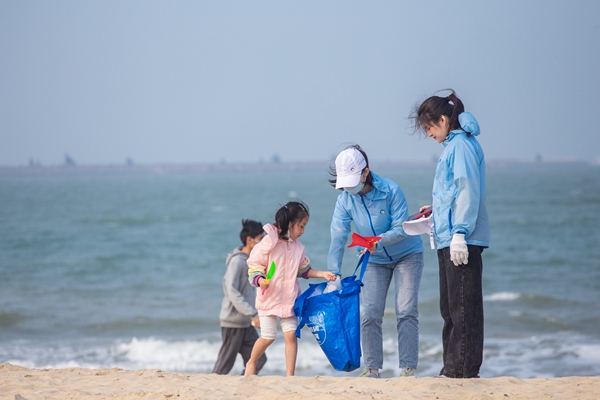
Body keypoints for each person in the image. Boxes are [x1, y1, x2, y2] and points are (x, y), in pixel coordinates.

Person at [410, 89, 490, 378]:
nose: (429, 134)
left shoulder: (462, 146)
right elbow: (453, 193)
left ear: (444, 119)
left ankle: (464, 371)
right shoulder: (452, 147)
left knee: (464, 308)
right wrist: (437, 209)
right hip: (448, 238)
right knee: (450, 307)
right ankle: (452, 367)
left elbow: (468, 190)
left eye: (430, 127)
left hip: (461, 240)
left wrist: (459, 232)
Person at [327, 145, 425, 378]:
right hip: (373, 259)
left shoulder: (391, 190)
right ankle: (372, 370)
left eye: (353, 181)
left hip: (407, 255)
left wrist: (377, 241)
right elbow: (338, 236)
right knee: (370, 312)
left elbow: (401, 228)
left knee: (405, 310)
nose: (349, 189)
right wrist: (334, 274)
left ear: (365, 173)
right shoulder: (345, 200)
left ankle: (408, 369)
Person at [243, 201, 337, 377]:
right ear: (289, 224)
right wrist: (260, 279)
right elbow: (254, 265)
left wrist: (322, 274)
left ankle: (290, 375)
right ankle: (251, 362)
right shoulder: (268, 243)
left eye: (304, 227)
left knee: (291, 336)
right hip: (269, 297)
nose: (302, 231)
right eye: (301, 226)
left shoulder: (298, 248)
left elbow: (304, 270)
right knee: (268, 337)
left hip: (289, 299)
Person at [212, 219, 267, 375]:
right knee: (224, 366)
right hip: (233, 322)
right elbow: (232, 291)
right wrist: (253, 314)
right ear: (250, 240)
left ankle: (243, 383)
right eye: (261, 239)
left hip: (246, 323)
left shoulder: (252, 262)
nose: (263, 243)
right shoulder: (237, 262)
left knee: (259, 359)